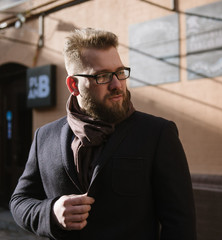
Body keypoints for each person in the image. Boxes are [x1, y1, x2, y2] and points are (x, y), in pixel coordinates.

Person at [10, 28, 196, 240]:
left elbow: (180, 224)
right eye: (103, 76)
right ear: (74, 85)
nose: (117, 84)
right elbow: (19, 201)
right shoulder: (45, 136)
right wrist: (51, 212)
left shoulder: (158, 133)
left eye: (120, 72)